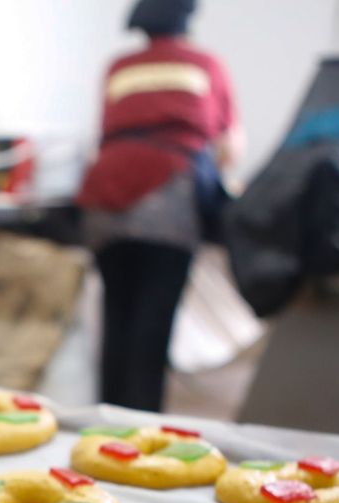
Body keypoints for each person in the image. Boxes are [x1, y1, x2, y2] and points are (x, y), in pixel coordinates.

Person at [78, 0, 241, 412]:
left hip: (105, 196)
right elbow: (228, 147)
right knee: (152, 327)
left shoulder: (120, 66)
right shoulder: (204, 64)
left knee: (117, 320)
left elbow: (105, 133)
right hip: (168, 199)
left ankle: (105, 428)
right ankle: (137, 436)